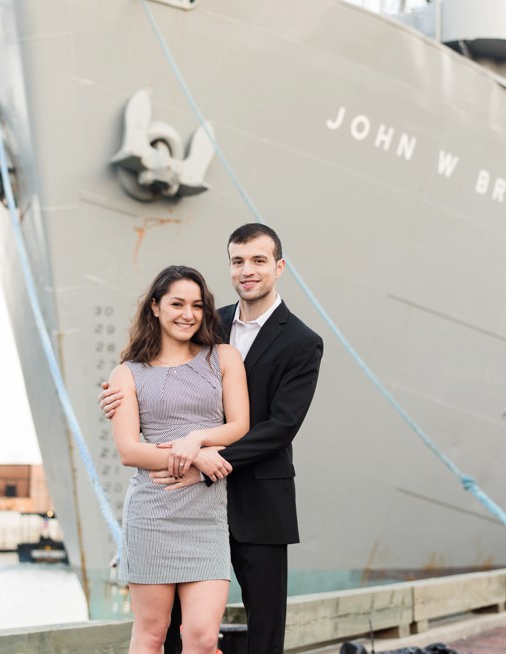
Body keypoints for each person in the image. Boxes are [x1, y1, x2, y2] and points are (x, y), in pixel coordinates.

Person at [101, 224, 324, 654]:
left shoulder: (302, 341)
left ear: (278, 267)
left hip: (255, 498)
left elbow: (281, 426)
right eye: (238, 261)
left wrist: (205, 457)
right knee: (167, 631)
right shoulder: (206, 321)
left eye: (259, 261)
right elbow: (155, 372)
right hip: (178, 499)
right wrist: (115, 392)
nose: (247, 270)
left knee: (263, 626)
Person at [109, 265, 249, 654]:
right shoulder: (127, 373)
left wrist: (196, 442)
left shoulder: (223, 358)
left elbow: (239, 425)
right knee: (151, 634)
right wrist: (198, 459)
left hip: (206, 518)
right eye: (176, 303)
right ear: (155, 307)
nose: (187, 314)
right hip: (152, 514)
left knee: (202, 638)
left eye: (197, 305)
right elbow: (129, 451)